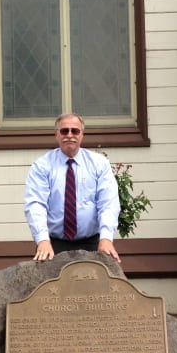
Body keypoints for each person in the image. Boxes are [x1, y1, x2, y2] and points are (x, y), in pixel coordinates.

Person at [24, 113, 121, 263]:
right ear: (56, 134)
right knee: (52, 287)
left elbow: (108, 203)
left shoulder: (99, 164)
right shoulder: (42, 166)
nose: (69, 135)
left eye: (75, 131)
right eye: (64, 131)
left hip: (92, 243)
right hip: (53, 245)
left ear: (82, 134)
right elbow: (36, 204)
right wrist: (42, 240)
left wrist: (107, 238)